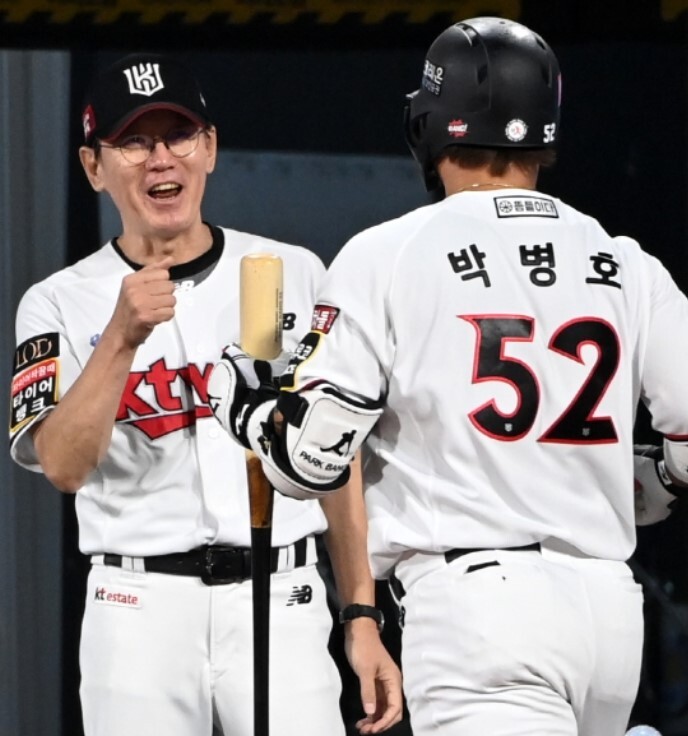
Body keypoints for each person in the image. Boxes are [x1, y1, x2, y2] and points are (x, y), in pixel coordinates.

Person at [208, 17, 688, 736]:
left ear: (428, 126)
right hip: (610, 610)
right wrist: (639, 482)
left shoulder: (392, 252)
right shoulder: (625, 261)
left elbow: (314, 458)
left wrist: (246, 404)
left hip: (479, 609)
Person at [8, 53, 401, 736]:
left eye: (179, 135)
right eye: (134, 141)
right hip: (137, 605)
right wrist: (119, 339)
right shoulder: (56, 302)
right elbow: (64, 467)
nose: (161, 159)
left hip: (282, 595)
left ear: (210, 149)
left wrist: (360, 614)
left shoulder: (294, 272)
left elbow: (334, 461)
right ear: (93, 166)